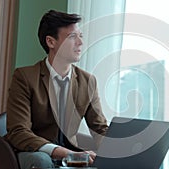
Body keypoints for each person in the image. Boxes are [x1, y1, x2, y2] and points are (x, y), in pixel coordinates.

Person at [6, 10, 108, 169]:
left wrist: (121, 151)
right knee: (42, 161)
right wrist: (65, 153)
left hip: (72, 154)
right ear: (51, 42)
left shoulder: (88, 81)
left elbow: (99, 128)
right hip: (36, 151)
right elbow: (19, 131)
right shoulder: (24, 77)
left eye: (80, 36)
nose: (80, 42)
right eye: (73, 37)